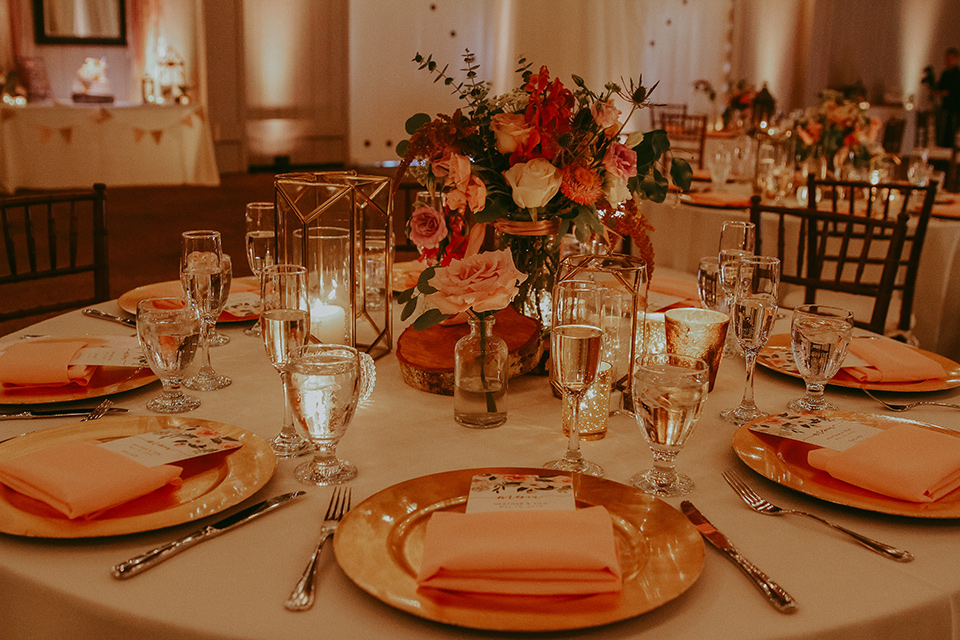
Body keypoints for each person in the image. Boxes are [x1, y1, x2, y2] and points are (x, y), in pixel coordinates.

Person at [936, 48, 960, 147]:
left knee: (952, 132)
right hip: (946, 107)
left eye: (950, 58)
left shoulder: (957, 74)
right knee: (944, 132)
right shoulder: (946, 73)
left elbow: (950, 91)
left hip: (955, 108)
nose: (948, 60)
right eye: (947, 58)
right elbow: (940, 88)